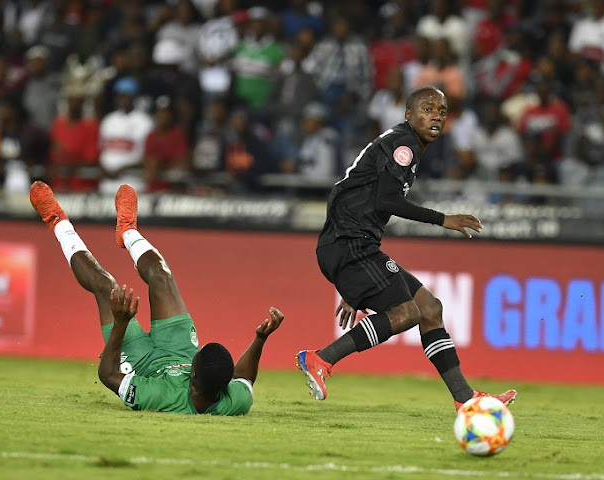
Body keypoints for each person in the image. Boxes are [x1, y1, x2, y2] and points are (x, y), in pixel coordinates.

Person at [295, 86, 517, 410]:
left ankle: (465, 399)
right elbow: (387, 200)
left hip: (353, 247)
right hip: (348, 245)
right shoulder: (405, 145)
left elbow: (361, 196)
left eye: (442, 111)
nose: (436, 116)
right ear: (408, 115)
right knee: (406, 312)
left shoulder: (404, 142)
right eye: (428, 109)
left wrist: (354, 284)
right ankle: (320, 359)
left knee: (429, 308)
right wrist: (444, 219)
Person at [29, 181, 284, 414]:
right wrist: (260, 339)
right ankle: (127, 230)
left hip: (142, 361)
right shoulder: (232, 401)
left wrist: (120, 324)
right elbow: (245, 380)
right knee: (161, 276)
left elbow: (108, 375)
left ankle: (56, 220)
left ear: (193, 374)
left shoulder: (161, 396)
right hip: (179, 346)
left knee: (105, 286)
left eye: (200, 354)